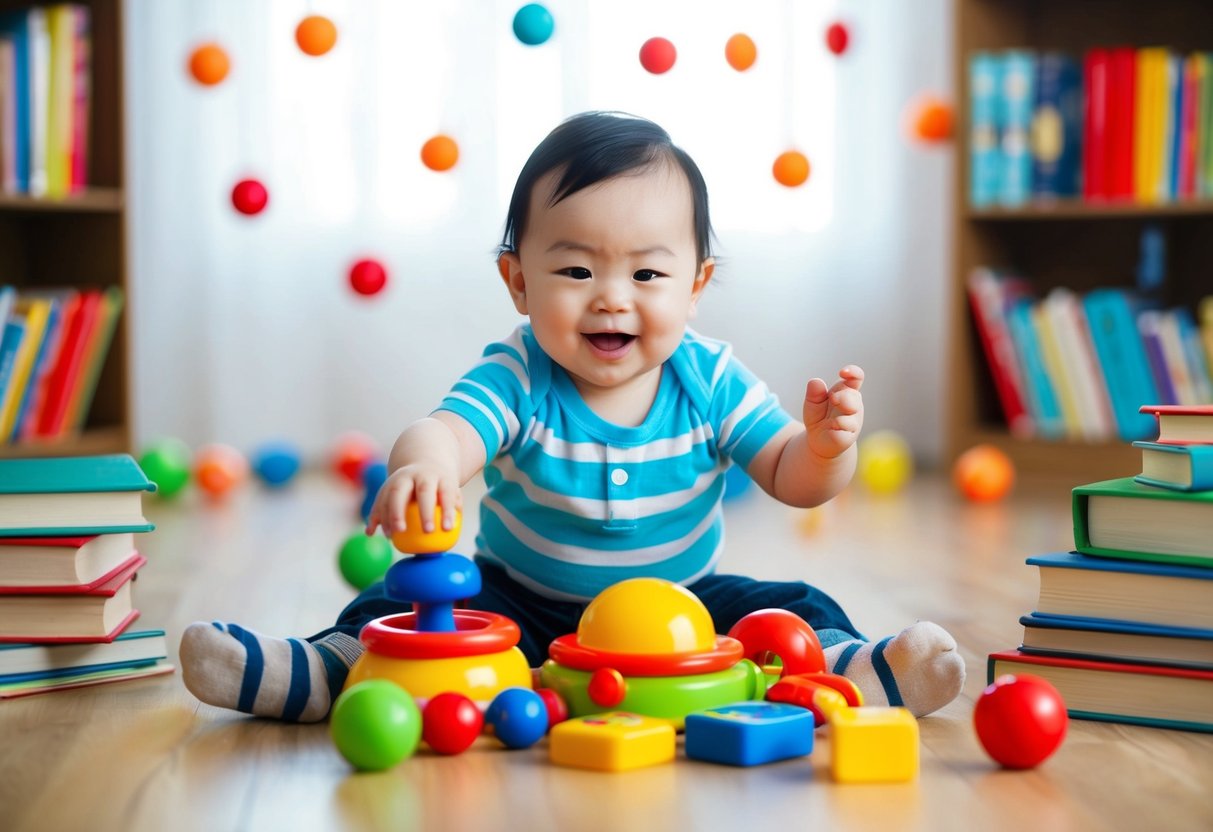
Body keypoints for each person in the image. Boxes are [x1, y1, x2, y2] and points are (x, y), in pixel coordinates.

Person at [181, 111, 964, 723]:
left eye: (648, 271)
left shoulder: (711, 377)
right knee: (403, 602)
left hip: (684, 608)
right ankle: (320, 672)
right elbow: (451, 429)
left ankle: (857, 670)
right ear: (518, 282)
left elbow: (791, 478)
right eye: (576, 269)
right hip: (524, 603)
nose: (611, 295)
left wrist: (825, 446)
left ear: (696, 284)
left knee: (789, 608)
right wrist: (423, 464)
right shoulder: (520, 373)